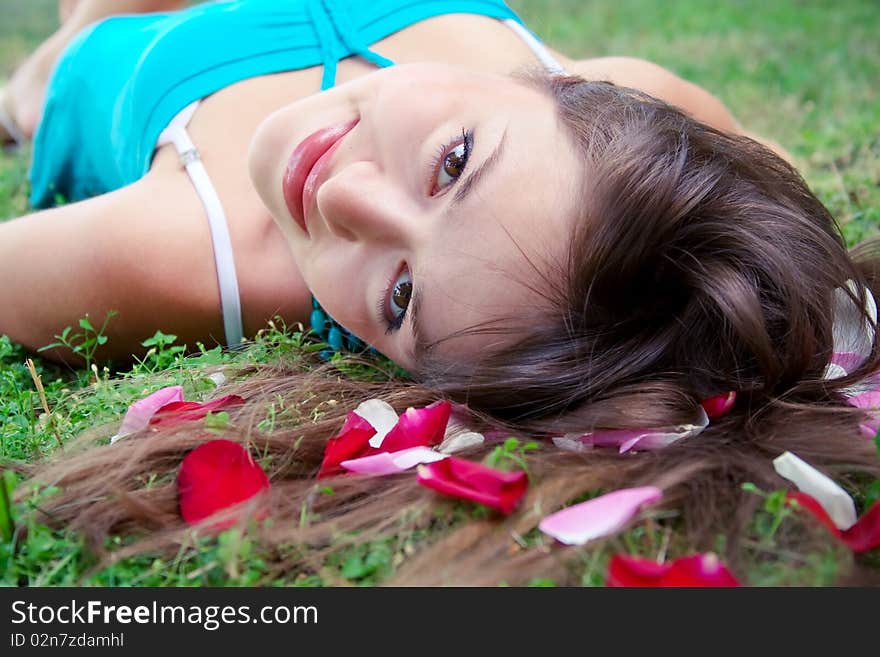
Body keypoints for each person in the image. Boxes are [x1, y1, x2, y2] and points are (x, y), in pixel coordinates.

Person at [3, 0, 879, 585]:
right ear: (577, 90)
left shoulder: (174, 257)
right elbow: (768, 201)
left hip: (123, 56)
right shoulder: (639, 106)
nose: (344, 198)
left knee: (77, 34)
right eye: (454, 164)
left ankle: (32, 80)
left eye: (401, 296)